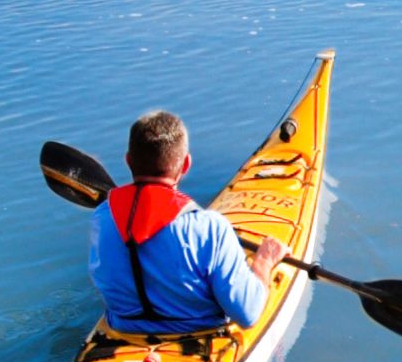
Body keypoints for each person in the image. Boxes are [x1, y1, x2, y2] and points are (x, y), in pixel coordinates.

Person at [91, 108, 286, 333]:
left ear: (128, 161)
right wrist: (264, 261)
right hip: (196, 339)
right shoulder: (210, 228)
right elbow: (248, 314)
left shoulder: (103, 217)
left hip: (123, 331)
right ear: (185, 165)